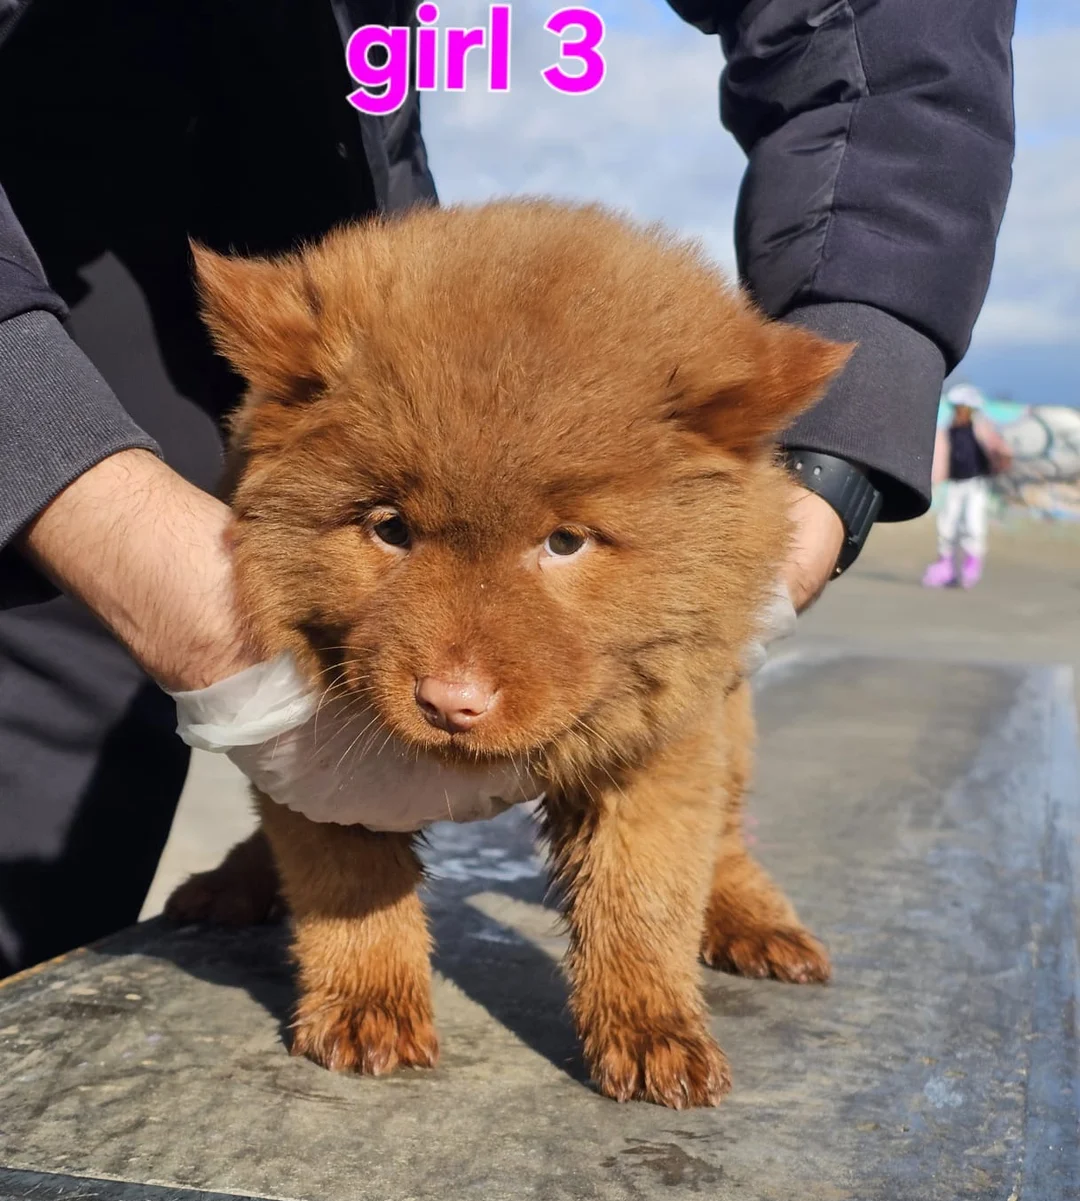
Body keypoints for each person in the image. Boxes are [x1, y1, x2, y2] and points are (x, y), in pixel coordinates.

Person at [0, 0, 1017, 974]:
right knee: (90, 647)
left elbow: (884, 29)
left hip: (334, 151)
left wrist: (840, 431)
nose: (459, 688)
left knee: (669, 685)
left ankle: (724, 863)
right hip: (43, 175)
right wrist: (64, 478)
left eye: (564, 542)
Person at [923, 386, 1013, 589]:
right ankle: (944, 566)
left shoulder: (981, 429)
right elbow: (939, 459)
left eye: (964, 408)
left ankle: (971, 567)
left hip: (975, 485)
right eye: (958, 408)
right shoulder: (947, 431)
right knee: (946, 525)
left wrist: (1002, 460)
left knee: (973, 524)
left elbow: (1000, 450)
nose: (960, 412)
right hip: (954, 484)